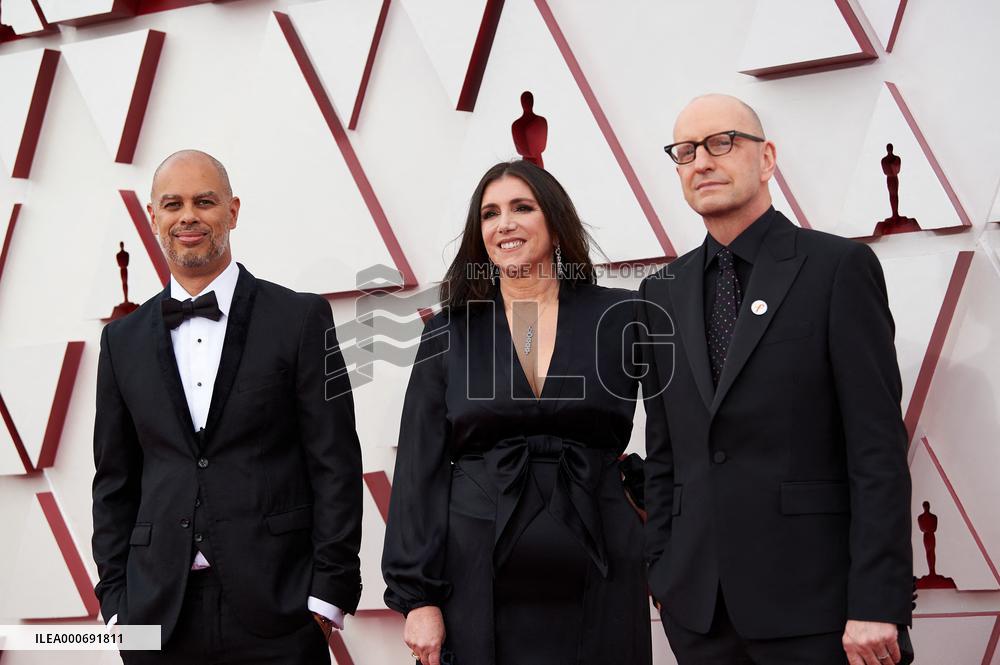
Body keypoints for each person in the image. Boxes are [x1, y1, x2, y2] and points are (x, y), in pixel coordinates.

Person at [638, 95, 913, 665]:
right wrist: (663, 570)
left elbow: (877, 450)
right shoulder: (660, 292)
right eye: (685, 151)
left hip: (821, 611)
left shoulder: (836, 268)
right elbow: (665, 453)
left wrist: (877, 600)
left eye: (721, 143)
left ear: (766, 159)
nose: (702, 162)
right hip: (700, 614)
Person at [92, 150, 363, 664]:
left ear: (232, 212)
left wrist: (327, 598)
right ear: (153, 217)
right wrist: (115, 606)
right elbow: (113, 482)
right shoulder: (121, 341)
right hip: (156, 616)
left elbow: (336, 464)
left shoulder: (299, 318)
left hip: (280, 612)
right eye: (172, 204)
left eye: (204, 201)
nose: (187, 217)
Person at [382, 160, 651, 665]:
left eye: (521, 208)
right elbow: (420, 467)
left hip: (603, 565)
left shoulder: (622, 315)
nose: (504, 224)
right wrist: (418, 598)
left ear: (555, 222)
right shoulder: (449, 332)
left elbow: (680, 429)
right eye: (490, 214)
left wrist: (653, 518)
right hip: (474, 577)